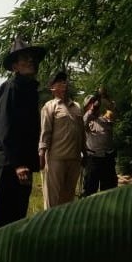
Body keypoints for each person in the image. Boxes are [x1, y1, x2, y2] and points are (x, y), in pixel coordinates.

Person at [0, 35, 47, 231]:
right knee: (2, 222)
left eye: (32, 57)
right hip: (9, 164)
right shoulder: (11, 89)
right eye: (24, 58)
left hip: (22, 164)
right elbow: (6, 128)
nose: (31, 60)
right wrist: (18, 164)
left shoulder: (29, 90)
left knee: (17, 219)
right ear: (15, 67)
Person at [39, 69, 85, 209]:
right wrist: (41, 153)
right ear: (52, 88)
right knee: (53, 198)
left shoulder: (76, 107)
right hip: (56, 159)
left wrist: (86, 152)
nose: (63, 85)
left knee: (68, 198)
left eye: (64, 82)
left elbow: (82, 132)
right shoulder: (50, 106)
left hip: (74, 159)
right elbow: (45, 132)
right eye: (58, 82)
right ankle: (49, 226)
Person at [82, 86, 118, 196]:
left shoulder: (106, 117)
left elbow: (114, 112)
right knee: (89, 191)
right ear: (86, 107)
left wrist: (105, 98)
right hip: (93, 160)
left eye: (95, 102)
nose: (94, 105)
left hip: (108, 160)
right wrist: (92, 110)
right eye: (90, 103)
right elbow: (83, 122)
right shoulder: (86, 119)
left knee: (109, 192)